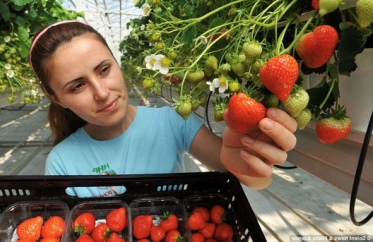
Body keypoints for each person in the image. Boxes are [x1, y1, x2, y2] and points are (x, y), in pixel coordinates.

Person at [29, 20, 297, 198]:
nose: (101, 93)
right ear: (57, 99)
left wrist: (252, 167)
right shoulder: (62, 162)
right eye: (77, 86)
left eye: (104, 69)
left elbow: (245, 173)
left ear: (117, 63)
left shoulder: (171, 122)